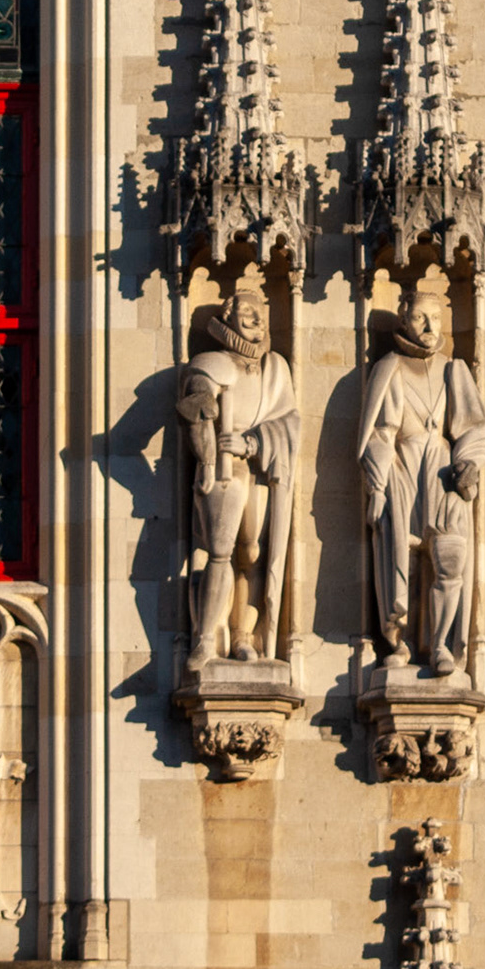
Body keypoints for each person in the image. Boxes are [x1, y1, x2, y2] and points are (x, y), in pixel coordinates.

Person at [358, 267, 485, 676]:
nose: (431, 326)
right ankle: (399, 642)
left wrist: (469, 462)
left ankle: (440, 644)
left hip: (443, 469)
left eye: (436, 318)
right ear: (403, 321)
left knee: (449, 556)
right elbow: (379, 433)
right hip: (402, 467)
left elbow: (474, 424)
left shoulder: (454, 370)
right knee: (405, 558)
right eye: (420, 317)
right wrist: (377, 485)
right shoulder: (389, 369)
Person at [177, 265, 299, 669]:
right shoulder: (211, 361)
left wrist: (252, 441)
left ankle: (244, 634)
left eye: (260, 313)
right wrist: (206, 414)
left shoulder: (276, 369)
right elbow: (196, 400)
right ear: (227, 317)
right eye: (247, 311)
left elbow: (288, 422)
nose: (256, 319)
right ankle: (205, 638)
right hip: (223, 468)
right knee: (220, 550)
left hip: (257, 464)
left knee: (252, 551)